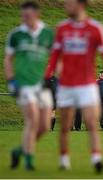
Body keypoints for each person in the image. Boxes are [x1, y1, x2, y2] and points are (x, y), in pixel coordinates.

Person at [44, 0, 103, 173]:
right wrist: (46, 77)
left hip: (87, 86)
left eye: (69, 3)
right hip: (66, 86)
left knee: (92, 123)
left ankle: (96, 159)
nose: (65, 6)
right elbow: (54, 56)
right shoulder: (61, 28)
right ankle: (64, 159)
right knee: (65, 126)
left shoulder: (95, 28)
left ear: (80, 4)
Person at [4, 1, 54, 170]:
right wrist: (11, 81)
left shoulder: (47, 33)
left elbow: (56, 58)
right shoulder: (16, 34)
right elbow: (8, 60)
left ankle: (19, 151)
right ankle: (29, 162)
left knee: (45, 126)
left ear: (36, 15)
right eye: (22, 16)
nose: (24, 18)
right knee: (32, 120)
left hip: (42, 84)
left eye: (27, 15)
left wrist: (52, 77)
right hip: (23, 84)